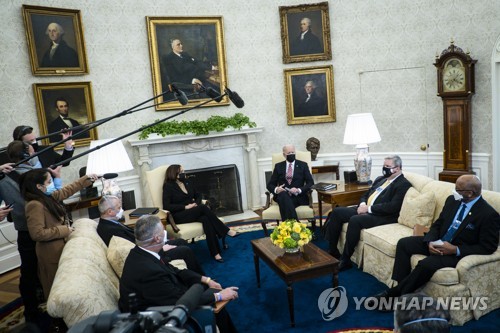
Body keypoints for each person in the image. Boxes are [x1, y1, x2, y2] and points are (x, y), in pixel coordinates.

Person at [371, 175, 499, 304]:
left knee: (426, 264)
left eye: (458, 189)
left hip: (455, 252)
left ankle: (393, 297)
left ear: (470, 193)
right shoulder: (452, 200)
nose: (454, 192)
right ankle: (402, 290)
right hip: (437, 241)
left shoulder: (488, 214)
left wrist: (456, 249)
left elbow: (488, 246)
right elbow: (438, 224)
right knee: (404, 243)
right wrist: (430, 240)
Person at [119, 215, 238, 333]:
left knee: (211, 290)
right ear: (157, 238)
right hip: (158, 318)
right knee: (216, 299)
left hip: (166, 297)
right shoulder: (149, 272)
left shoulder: (142, 252)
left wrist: (206, 280)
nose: (165, 232)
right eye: (163, 231)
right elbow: (179, 302)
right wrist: (220, 296)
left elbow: (173, 270)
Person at [0, 145, 62, 327]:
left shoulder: (2, 178)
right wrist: (57, 180)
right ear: (29, 154)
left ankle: (31, 313)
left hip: (23, 232)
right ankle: (56, 306)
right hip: (45, 230)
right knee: (52, 269)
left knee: (27, 272)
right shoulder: (39, 175)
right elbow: (55, 197)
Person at [19, 169, 96, 300]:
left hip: (59, 248)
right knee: (57, 290)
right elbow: (37, 234)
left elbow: (66, 191)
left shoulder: (46, 197)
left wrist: (86, 179)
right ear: (39, 186)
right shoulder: (34, 205)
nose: (52, 184)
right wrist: (64, 230)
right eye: (49, 181)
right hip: (51, 254)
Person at [324, 155, 411, 271]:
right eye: (384, 165)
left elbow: (392, 207)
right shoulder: (381, 179)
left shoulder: (403, 184)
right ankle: (333, 250)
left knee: (355, 219)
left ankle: (345, 259)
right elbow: (366, 194)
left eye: (388, 166)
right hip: (365, 208)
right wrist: (362, 205)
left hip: (383, 216)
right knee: (337, 212)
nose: (385, 168)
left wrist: (368, 209)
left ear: (398, 168)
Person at [97, 195, 205, 275]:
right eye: (118, 207)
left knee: (181, 242)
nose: (122, 210)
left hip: (147, 247)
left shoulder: (110, 223)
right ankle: (202, 280)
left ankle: (197, 275)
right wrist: (162, 248)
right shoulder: (109, 230)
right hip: (148, 255)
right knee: (185, 250)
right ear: (110, 212)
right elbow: (134, 248)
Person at [162, 165, 239, 263]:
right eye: (181, 171)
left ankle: (215, 253)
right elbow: (167, 206)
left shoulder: (187, 182)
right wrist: (185, 207)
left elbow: (198, 195)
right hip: (178, 215)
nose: (183, 172)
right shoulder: (168, 186)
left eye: (183, 170)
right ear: (174, 173)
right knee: (203, 208)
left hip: (193, 211)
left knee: (206, 220)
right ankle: (226, 230)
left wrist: (196, 204)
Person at [266, 144, 314, 221]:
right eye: (289, 153)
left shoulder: (303, 165)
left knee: (285, 202)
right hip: (282, 194)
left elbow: (310, 183)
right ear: (284, 155)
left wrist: (298, 190)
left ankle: (287, 228)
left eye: (293, 152)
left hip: (298, 197)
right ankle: (295, 225)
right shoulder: (278, 166)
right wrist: (277, 189)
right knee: (283, 195)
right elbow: (270, 184)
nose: (291, 154)